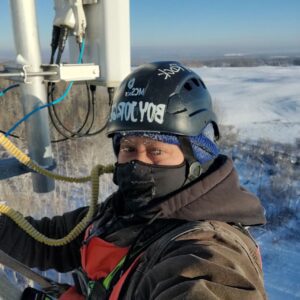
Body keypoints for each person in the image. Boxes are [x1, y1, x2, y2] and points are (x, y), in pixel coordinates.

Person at [0, 61, 267, 300]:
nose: (139, 163)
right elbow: (49, 241)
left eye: (156, 150)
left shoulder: (208, 248)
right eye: (128, 148)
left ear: (196, 155)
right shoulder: (123, 212)